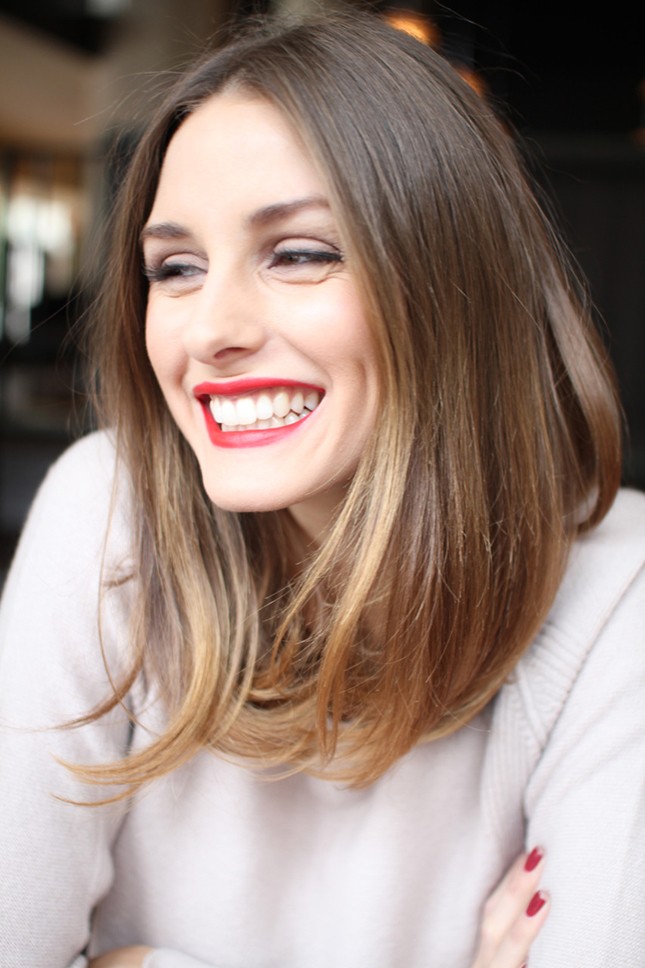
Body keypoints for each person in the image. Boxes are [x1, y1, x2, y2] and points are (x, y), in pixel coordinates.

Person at [0, 10, 643, 968]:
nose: (209, 330)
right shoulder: (105, 513)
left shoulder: (618, 586)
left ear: (452, 281)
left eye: (299, 253)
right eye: (175, 268)